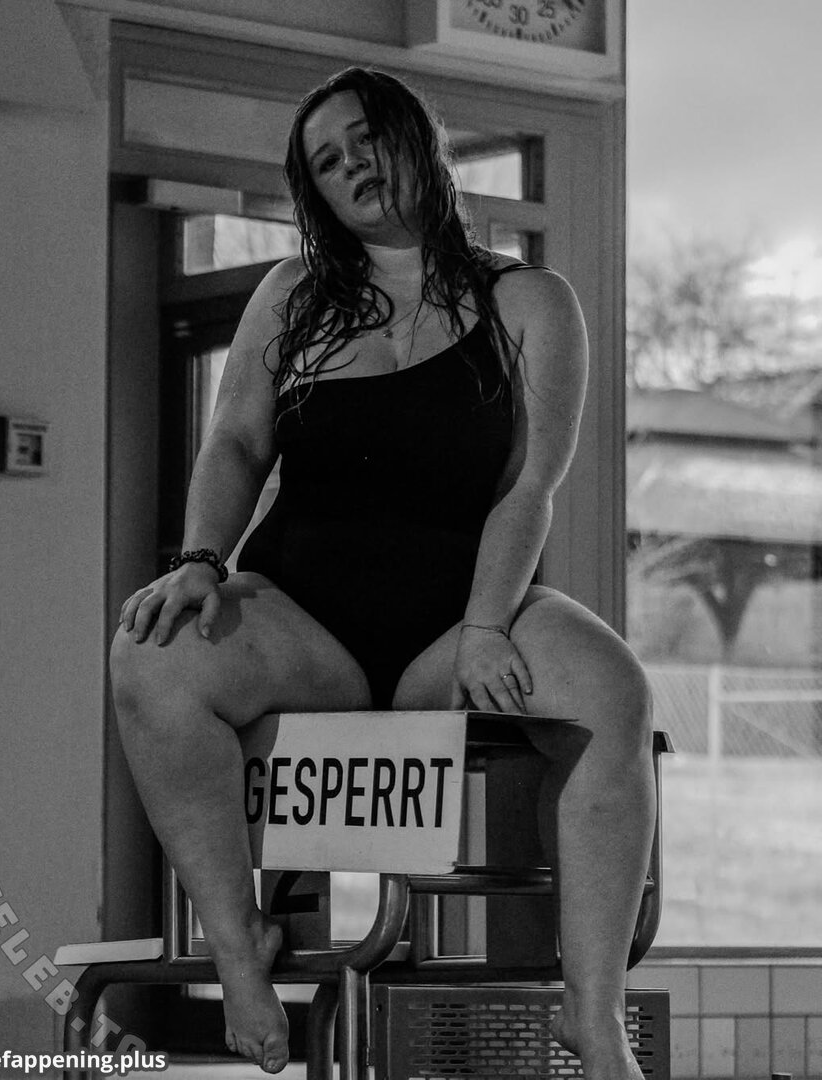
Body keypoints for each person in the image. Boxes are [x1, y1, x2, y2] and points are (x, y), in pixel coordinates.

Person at [110, 67, 655, 1080]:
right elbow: (236, 442)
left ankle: (593, 1013)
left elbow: (528, 485)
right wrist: (198, 562)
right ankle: (239, 946)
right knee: (151, 654)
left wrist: (486, 625)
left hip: (458, 618)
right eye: (327, 161)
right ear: (316, 192)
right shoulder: (292, 296)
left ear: (417, 140)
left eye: (365, 138)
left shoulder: (529, 300)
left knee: (610, 686)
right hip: (304, 621)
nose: (352, 165)